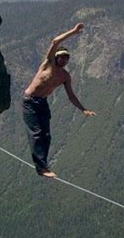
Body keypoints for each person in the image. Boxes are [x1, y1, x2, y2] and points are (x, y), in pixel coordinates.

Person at [22, 23, 95, 178]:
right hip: (30, 102)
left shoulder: (65, 76)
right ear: (56, 57)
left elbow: (71, 96)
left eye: (66, 58)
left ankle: (44, 166)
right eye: (61, 57)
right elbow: (55, 42)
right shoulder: (47, 65)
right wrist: (74, 32)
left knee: (46, 135)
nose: (64, 60)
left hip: (42, 102)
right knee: (36, 133)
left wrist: (83, 109)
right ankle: (41, 168)